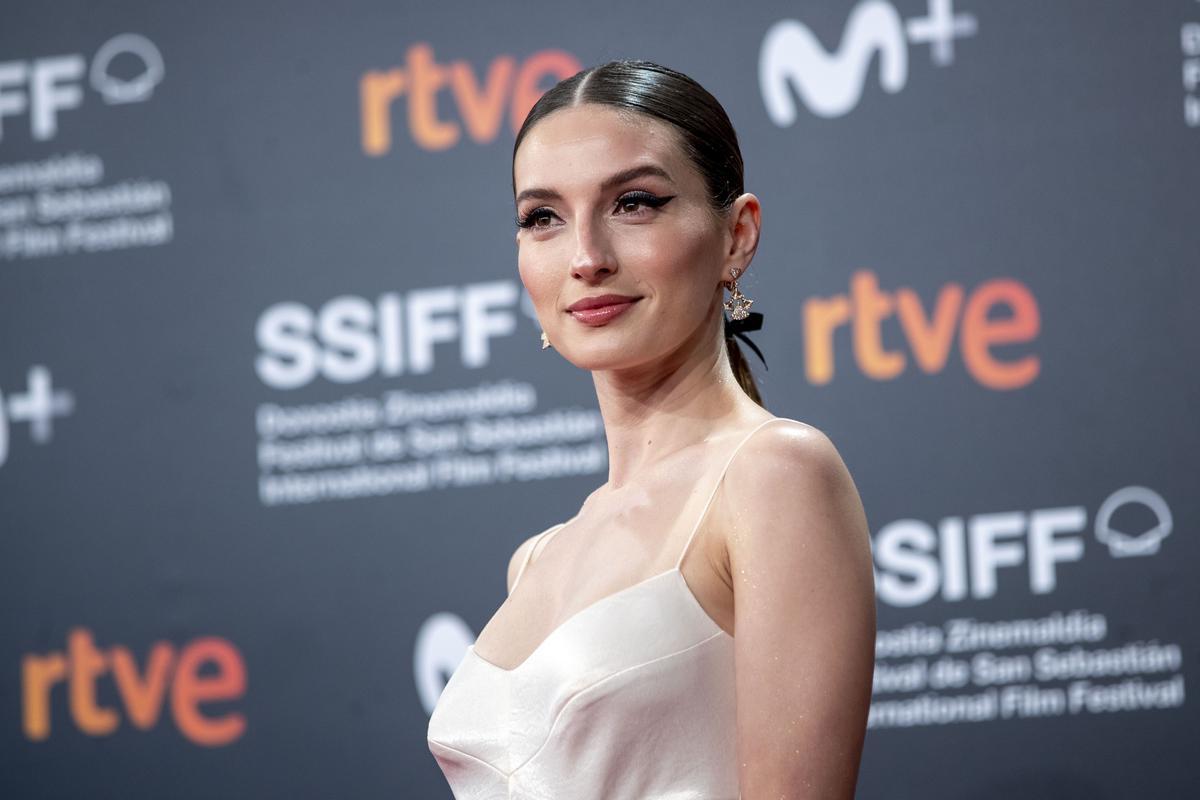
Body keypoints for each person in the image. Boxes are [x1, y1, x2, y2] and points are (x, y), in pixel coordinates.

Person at [427, 59, 876, 799]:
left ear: (736, 236)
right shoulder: (534, 561)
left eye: (634, 204)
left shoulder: (775, 477)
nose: (586, 257)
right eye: (543, 217)